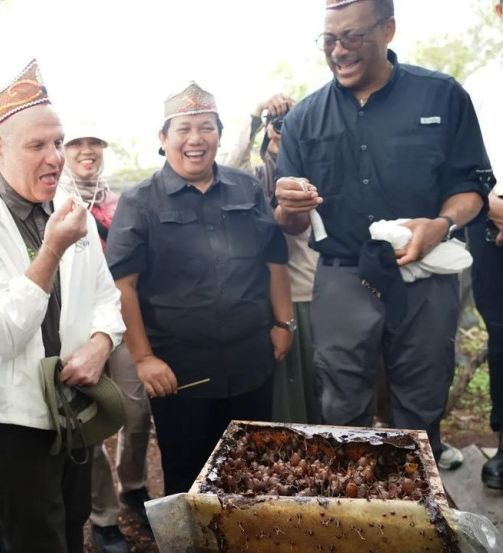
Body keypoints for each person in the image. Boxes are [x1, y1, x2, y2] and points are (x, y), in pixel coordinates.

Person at [273, 0, 491, 467]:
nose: (338, 51)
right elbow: (290, 221)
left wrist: (442, 224)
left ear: (388, 29)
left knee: (423, 392)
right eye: (329, 40)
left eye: (351, 37)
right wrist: (289, 208)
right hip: (343, 274)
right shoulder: (305, 118)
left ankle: (417, 500)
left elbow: (471, 187)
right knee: (341, 399)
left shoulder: (442, 96)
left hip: (424, 270)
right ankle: (352, 504)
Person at [0, 59, 125, 553]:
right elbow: (4, 331)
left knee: (74, 522)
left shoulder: (66, 205)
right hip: (13, 418)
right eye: (37, 145)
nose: (55, 157)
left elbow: (107, 296)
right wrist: (51, 250)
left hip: (74, 405)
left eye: (58, 142)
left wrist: (101, 344)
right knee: (35, 538)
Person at [105, 82, 292, 496]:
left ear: (219, 136)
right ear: (163, 139)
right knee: (189, 478)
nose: (195, 139)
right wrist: (144, 357)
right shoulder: (140, 201)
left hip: (251, 363)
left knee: (254, 470)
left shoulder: (246, 187)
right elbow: (123, 285)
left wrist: (283, 322)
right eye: (184, 129)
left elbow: (273, 257)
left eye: (206, 128)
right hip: (181, 375)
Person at [60, 125, 152, 552]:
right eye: (75, 142)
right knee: (91, 422)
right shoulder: (54, 203)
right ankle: (103, 516)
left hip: (126, 320)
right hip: (82, 325)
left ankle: (133, 484)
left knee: (136, 410)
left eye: (93, 142)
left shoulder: (120, 202)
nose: (86, 150)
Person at [225, 93, 322, 425]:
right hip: (266, 297)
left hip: (310, 291)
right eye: (276, 122)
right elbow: (228, 165)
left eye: (291, 122)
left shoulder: (316, 168)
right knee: (282, 393)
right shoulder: (252, 176)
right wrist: (255, 115)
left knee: (315, 385)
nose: (282, 128)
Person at [463, 0, 503, 489]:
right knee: (502, 335)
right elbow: (467, 162)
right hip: (491, 227)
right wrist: (492, 204)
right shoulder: (481, 84)